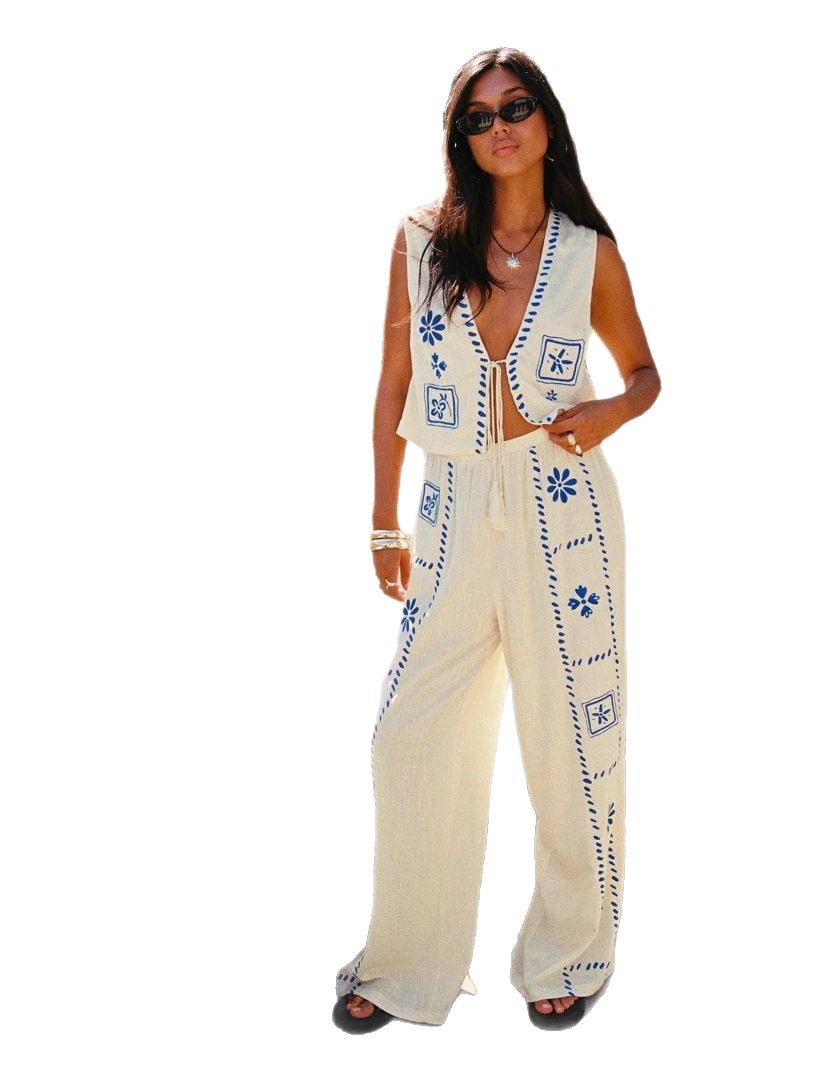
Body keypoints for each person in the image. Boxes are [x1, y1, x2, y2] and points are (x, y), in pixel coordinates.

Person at [334, 47, 660, 1032]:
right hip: (450, 504)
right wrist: (383, 519)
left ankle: (572, 947)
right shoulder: (421, 241)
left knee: (570, 738)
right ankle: (405, 961)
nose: (499, 128)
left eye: (515, 108)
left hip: (564, 508)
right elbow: (392, 385)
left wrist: (608, 412)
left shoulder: (587, 251)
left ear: (546, 122)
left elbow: (644, 373)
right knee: (410, 735)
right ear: (460, 140)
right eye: (477, 117)